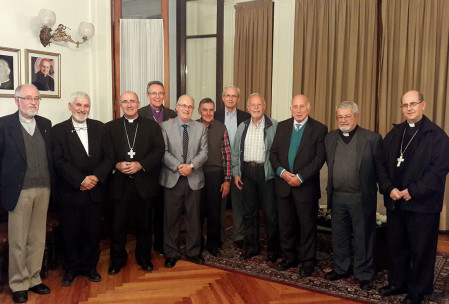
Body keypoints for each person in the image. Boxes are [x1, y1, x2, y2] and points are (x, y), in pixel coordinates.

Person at [378, 90, 449, 304]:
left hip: (422, 205)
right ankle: (397, 283)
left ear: (423, 105)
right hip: (396, 201)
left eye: (413, 104)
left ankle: (417, 289)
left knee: (421, 250)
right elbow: (380, 163)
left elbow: (438, 171)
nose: (409, 108)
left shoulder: (437, 136)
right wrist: (389, 187)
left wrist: (413, 191)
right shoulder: (395, 133)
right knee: (397, 246)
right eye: (405, 105)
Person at [52, 91, 114, 286]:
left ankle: (90, 267)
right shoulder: (58, 130)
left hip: (95, 192)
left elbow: (109, 157)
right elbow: (58, 160)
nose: (82, 109)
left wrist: (96, 177)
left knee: (92, 232)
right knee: (70, 233)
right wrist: (80, 179)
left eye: (86, 106)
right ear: (70, 107)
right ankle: (71, 269)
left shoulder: (100, 127)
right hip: (71, 192)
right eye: (78, 105)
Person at [0, 84, 54, 303]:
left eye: (37, 98)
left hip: (44, 188)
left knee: (37, 238)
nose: (33, 102)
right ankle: (18, 283)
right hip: (18, 190)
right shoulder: (4, 125)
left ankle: (34, 278)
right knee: (19, 240)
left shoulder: (45, 124)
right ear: (17, 100)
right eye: (28, 98)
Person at [323, 101, 383, 290]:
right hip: (338, 196)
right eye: (340, 116)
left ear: (356, 116)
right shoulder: (329, 138)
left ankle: (364, 273)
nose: (344, 120)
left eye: (347, 116)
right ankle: (341, 268)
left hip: (361, 197)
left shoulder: (372, 139)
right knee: (339, 236)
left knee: (363, 236)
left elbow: (381, 169)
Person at [106, 91, 165, 275]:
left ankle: (144, 257)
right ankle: (117, 260)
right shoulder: (110, 127)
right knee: (118, 226)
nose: (129, 105)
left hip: (144, 184)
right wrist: (117, 164)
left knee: (145, 225)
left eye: (132, 101)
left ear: (139, 103)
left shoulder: (151, 126)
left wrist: (141, 164)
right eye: (125, 102)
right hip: (119, 184)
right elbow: (105, 152)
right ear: (119, 105)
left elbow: (159, 149)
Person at [269, 94, 327, 277]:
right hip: (284, 185)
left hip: (306, 188)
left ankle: (308, 261)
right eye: (295, 106)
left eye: (302, 106)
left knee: (307, 226)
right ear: (291, 109)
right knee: (285, 225)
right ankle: (289, 257)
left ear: (308, 108)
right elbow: (273, 153)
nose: (299, 110)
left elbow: (319, 158)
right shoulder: (282, 126)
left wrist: (300, 177)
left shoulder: (319, 129)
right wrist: (283, 173)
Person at [160, 95, 208, 268]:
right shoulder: (165, 127)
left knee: (194, 218)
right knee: (171, 219)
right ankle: (171, 253)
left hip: (193, 178)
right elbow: (163, 151)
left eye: (190, 106)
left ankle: (193, 252)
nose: (186, 109)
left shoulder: (200, 128)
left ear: (193, 109)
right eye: (183, 106)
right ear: (176, 107)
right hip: (172, 178)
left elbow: (204, 152)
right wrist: (179, 166)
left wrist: (191, 166)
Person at [232, 93, 280, 263]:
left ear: (264, 106)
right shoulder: (242, 126)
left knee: (270, 215)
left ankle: (274, 250)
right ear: (248, 108)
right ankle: (251, 247)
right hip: (247, 174)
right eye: (253, 105)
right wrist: (236, 173)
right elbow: (236, 152)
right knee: (249, 213)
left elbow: (278, 151)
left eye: (259, 104)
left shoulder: (274, 125)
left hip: (266, 174)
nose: (256, 107)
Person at [137, 80, 177, 254]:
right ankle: (144, 247)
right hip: (147, 169)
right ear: (148, 95)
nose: (157, 96)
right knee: (146, 212)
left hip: (167, 168)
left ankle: (161, 245)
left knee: (163, 209)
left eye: (160, 93)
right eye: (154, 93)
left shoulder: (172, 114)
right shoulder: (139, 113)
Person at [215, 85, 251, 249]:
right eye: (227, 95)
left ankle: (239, 235)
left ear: (238, 99)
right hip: (218, 165)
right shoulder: (214, 116)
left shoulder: (246, 117)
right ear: (222, 98)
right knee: (219, 203)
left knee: (238, 202)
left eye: (234, 96)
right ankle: (219, 235)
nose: (230, 99)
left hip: (238, 165)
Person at [197, 98, 231, 257]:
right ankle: (196, 243)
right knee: (196, 211)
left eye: (211, 110)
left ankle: (213, 244)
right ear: (199, 111)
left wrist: (227, 180)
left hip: (215, 174)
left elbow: (227, 155)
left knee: (214, 212)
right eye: (205, 109)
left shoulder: (221, 128)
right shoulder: (192, 126)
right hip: (195, 173)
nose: (208, 113)